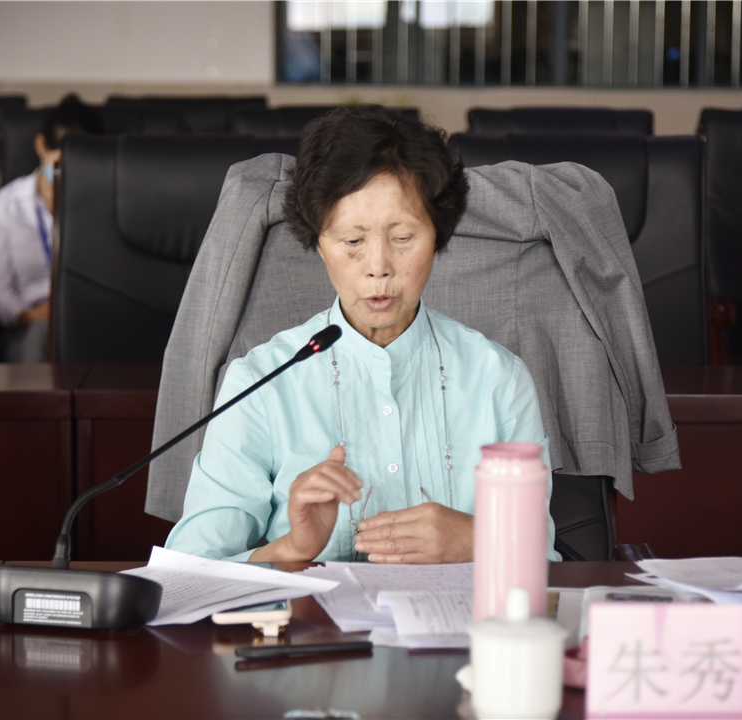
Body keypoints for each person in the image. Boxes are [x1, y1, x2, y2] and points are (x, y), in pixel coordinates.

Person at [166, 105, 559, 564]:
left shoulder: (499, 379)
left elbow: (544, 563)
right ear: (318, 243)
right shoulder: (260, 382)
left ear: (438, 236)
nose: (378, 268)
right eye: (352, 241)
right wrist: (291, 549)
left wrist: (477, 540)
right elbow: (192, 568)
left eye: (404, 238)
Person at [0, 95, 99, 362]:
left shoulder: (100, 205)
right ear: (41, 146)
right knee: (42, 337)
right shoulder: (3, 205)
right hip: (29, 326)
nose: (65, 175)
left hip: (87, 320)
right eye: (60, 165)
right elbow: (1, 297)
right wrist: (37, 315)